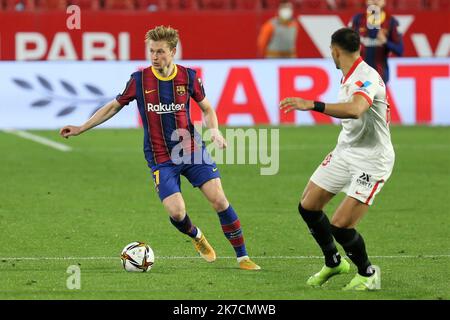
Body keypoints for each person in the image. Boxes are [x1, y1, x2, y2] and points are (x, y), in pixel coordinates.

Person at [60, 25, 260, 271]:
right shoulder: (139, 80)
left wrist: (215, 130)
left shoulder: (188, 77)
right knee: (177, 213)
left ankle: (243, 257)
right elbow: (113, 106)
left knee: (219, 199)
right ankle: (197, 236)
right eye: (151, 52)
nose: (155, 57)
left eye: (160, 52)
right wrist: (82, 127)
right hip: (160, 157)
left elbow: (207, 108)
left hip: (191, 150)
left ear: (173, 51)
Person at [279, 27, 394, 290]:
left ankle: (368, 273)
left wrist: (314, 105)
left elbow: (355, 110)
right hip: (346, 152)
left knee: (341, 226)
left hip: (372, 160)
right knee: (307, 206)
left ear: (335, 50)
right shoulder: (348, 74)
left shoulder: (367, 78)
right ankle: (333, 262)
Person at [349, 0, 403, 83]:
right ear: (366, 1)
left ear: (384, 2)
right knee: (360, 95)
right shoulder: (357, 20)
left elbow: (400, 51)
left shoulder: (391, 22)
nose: (375, 0)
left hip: (380, 75)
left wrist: (385, 42)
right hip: (359, 74)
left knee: (375, 95)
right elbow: (345, 45)